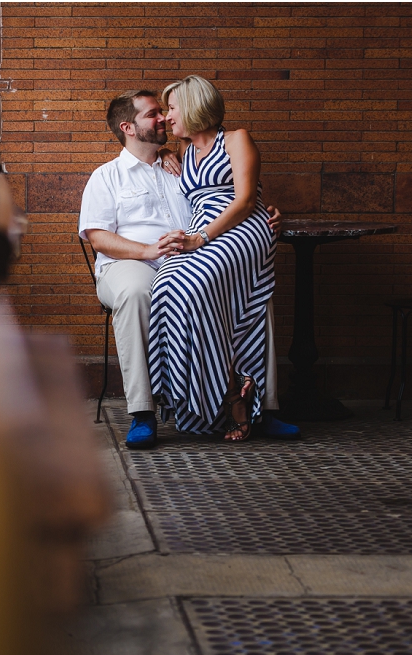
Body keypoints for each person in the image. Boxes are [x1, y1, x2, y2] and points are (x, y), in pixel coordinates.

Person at [78, 88, 299, 448]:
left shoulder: (180, 164)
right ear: (128, 128)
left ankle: (263, 407)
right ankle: (144, 411)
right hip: (129, 264)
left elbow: (228, 191)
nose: (163, 117)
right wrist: (148, 249)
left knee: (254, 290)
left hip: (189, 258)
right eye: (152, 114)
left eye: (164, 111)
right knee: (139, 291)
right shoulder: (108, 176)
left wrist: (264, 208)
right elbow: (99, 238)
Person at [148, 75, 278, 441]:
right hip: (201, 231)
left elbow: (246, 200)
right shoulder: (186, 154)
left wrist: (200, 238)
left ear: (193, 106)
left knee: (193, 283)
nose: (168, 117)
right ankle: (211, 391)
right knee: (165, 286)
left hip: (242, 228)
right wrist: (162, 152)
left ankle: (235, 397)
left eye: (172, 108)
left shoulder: (237, 139)